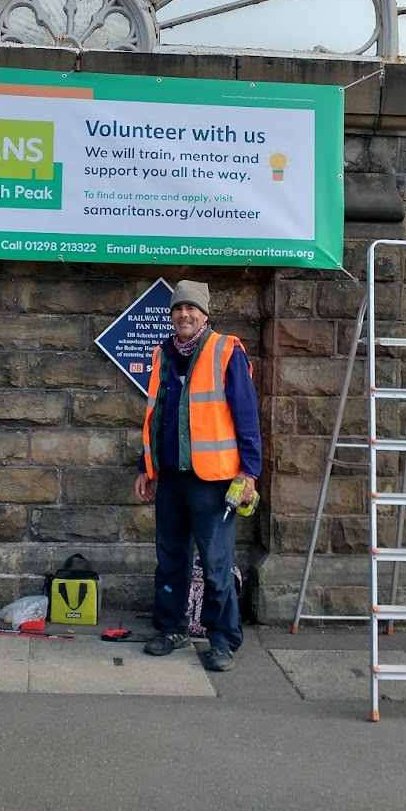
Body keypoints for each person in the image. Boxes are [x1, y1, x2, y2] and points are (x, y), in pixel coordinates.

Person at [134, 279, 261, 672]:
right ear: (171, 315)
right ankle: (171, 628)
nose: (184, 314)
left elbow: (247, 416)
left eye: (192, 309)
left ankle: (223, 640)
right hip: (171, 477)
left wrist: (250, 473)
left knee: (216, 563)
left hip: (214, 480)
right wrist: (146, 468)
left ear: (205, 314)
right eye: (178, 308)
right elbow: (154, 417)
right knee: (170, 558)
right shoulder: (164, 354)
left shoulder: (227, 351)